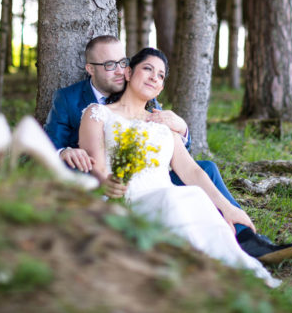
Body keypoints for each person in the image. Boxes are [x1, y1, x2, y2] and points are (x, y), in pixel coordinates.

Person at [44, 36, 292, 264]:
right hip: (106, 180)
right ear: (90, 69)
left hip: (153, 178)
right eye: (110, 65)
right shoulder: (73, 101)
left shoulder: (145, 94)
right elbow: (52, 144)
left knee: (203, 172)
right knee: (179, 199)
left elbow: (164, 143)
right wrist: (64, 151)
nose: (119, 71)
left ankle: (243, 236)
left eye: (122, 62)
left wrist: (183, 128)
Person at [79, 47, 281, 287]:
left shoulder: (163, 124)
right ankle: (197, 274)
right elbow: (96, 166)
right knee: (176, 200)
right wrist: (108, 183)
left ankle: (228, 270)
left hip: (170, 195)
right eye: (148, 69)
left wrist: (229, 209)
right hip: (127, 199)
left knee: (192, 196)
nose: (155, 77)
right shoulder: (98, 113)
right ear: (129, 73)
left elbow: (192, 170)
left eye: (161, 75)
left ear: (161, 87)